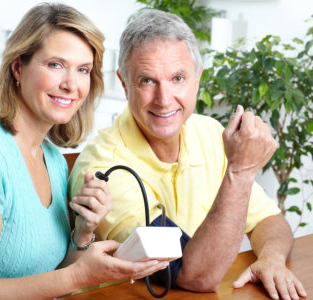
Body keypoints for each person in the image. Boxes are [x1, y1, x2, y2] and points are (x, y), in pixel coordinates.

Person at [69, 9, 307, 300]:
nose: (165, 99)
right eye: (147, 80)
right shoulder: (104, 167)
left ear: (197, 79)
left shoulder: (209, 132)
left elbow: (267, 220)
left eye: (178, 78)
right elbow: (191, 275)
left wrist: (270, 258)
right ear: (123, 83)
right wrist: (241, 172)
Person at [0, 4, 170, 299]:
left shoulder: (53, 160)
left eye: (83, 70)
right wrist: (80, 275)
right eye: (55, 65)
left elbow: (51, 277)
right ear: (18, 67)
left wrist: (83, 233)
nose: (71, 84)